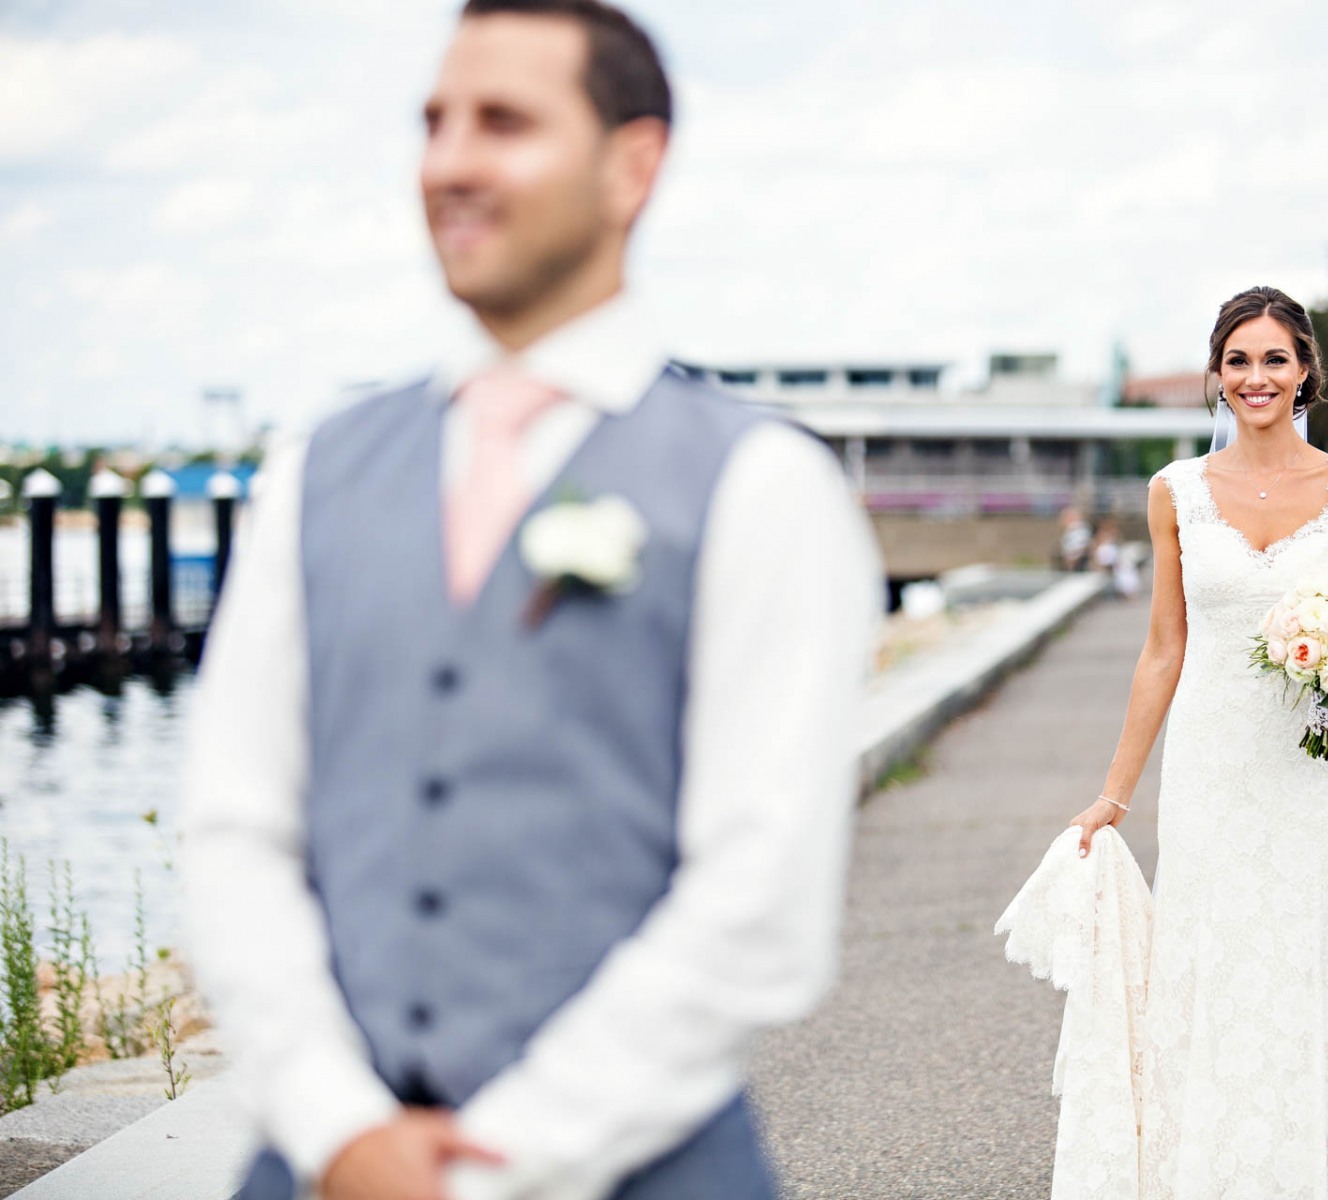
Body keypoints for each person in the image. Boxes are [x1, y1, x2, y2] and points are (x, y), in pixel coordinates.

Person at [180, 4, 881, 1199]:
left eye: (502, 123)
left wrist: (487, 1172)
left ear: (632, 165)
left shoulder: (766, 488)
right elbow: (235, 824)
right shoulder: (314, 471)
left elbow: (760, 900)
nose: (449, 161)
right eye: (435, 123)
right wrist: (338, 1124)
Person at [1068, 286, 1328, 1198]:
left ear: (1306, 374)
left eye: (1275, 359)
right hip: (1211, 773)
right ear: (1217, 375)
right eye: (1239, 360)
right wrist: (1115, 793)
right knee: (1211, 972)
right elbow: (1164, 649)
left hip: (1311, 775)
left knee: (1301, 970)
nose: (1257, 377)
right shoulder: (1173, 492)